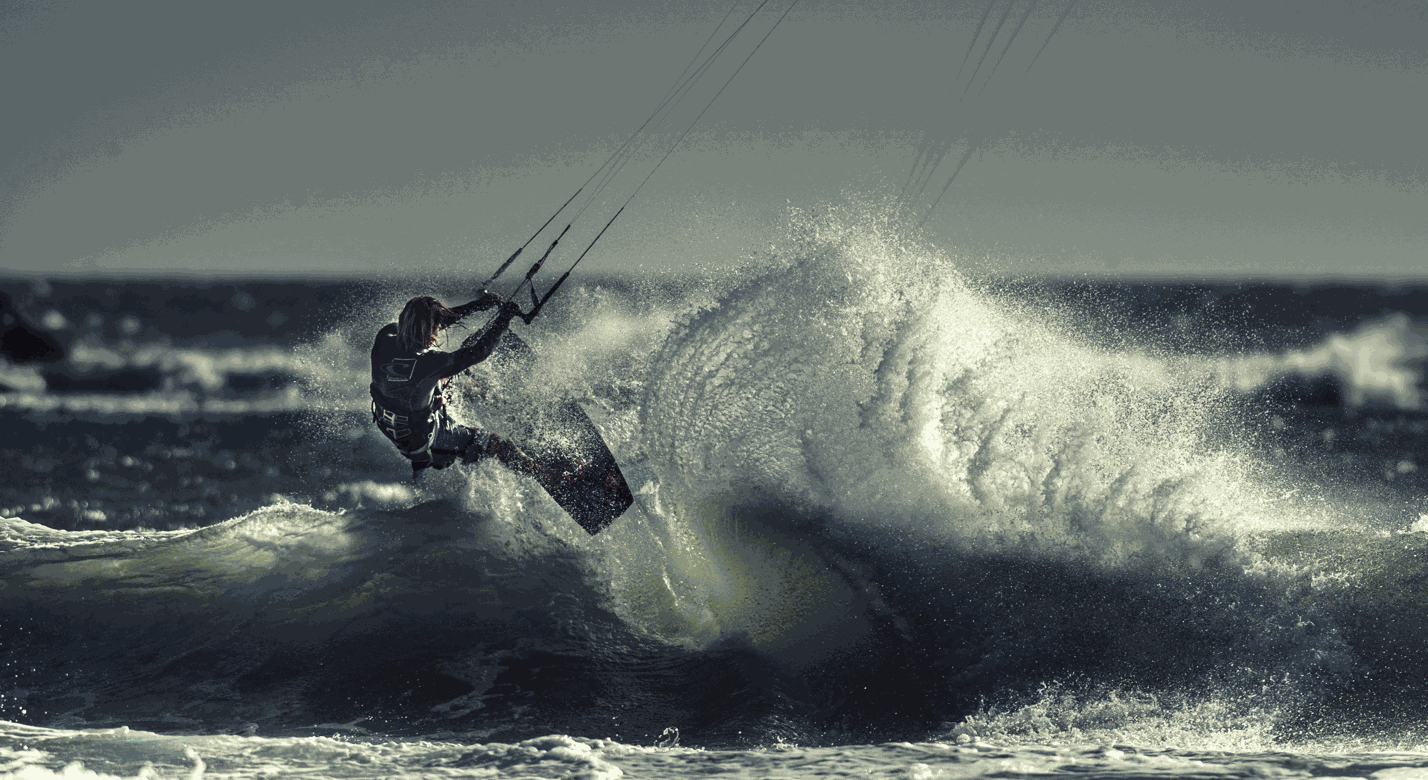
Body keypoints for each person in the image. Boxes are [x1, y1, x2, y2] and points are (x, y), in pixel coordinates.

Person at [369, 293, 542, 481]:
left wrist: (476, 306)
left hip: (392, 425)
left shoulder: (385, 338)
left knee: (453, 370)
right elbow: (478, 353)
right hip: (425, 442)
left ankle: (466, 399)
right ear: (427, 329)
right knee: (494, 442)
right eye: (435, 327)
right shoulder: (430, 363)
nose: (437, 331)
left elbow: (436, 323)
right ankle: (541, 472)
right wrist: (504, 318)